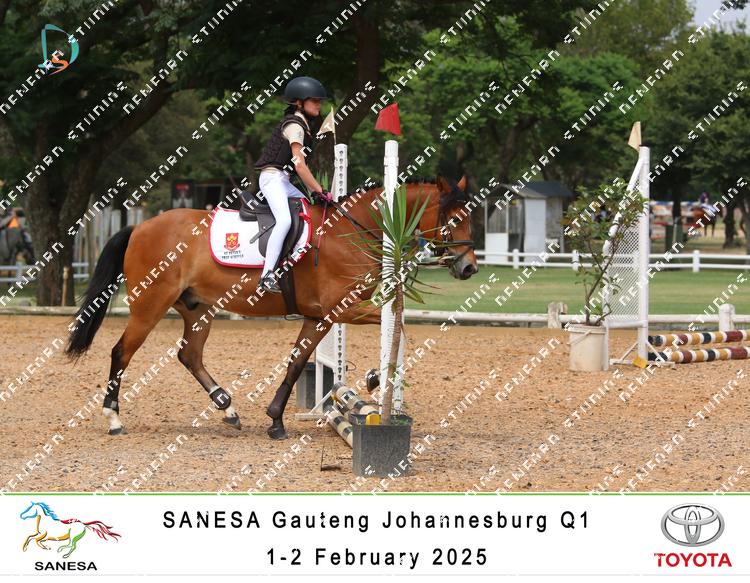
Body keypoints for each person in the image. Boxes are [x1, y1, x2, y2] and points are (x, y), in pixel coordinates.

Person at [253, 76, 329, 293]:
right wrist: (319, 190)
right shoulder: (295, 126)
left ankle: (294, 258)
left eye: (319, 101)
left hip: (282, 180)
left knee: (308, 210)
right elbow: (300, 166)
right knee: (284, 220)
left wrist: (315, 193)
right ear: (298, 102)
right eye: (314, 100)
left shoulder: (302, 125)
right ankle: (267, 275)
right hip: (272, 179)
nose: (318, 104)